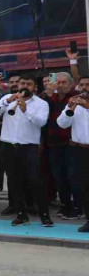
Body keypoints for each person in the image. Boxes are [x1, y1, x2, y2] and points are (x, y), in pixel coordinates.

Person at [0, 77, 52, 227]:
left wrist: (25, 110)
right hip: (8, 146)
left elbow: (42, 122)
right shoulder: (8, 97)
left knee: (35, 181)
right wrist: (7, 101)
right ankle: (21, 215)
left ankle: (44, 215)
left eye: (28, 84)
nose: (25, 86)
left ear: (35, 87)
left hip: (28, 147)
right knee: (14, 182)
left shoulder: (41, 104)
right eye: (22, 84)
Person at [46, 72, 81, 219]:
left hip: (71, 144)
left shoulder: (75, 98)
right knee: (59, 177)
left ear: (71, 84)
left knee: (73, 176)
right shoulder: (51, 98)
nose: (60, 85)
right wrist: (49, 94)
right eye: (58, 82)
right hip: (53, 144)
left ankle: (78, 206)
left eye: (64, 82)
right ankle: (66, 205)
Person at [56, 78, 89, 232]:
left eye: (87, 85)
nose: (84, 88)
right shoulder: (75, 103)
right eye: (81, 85)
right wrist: (70, 107)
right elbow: (62, 124)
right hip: (79, 150)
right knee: (83, 186)